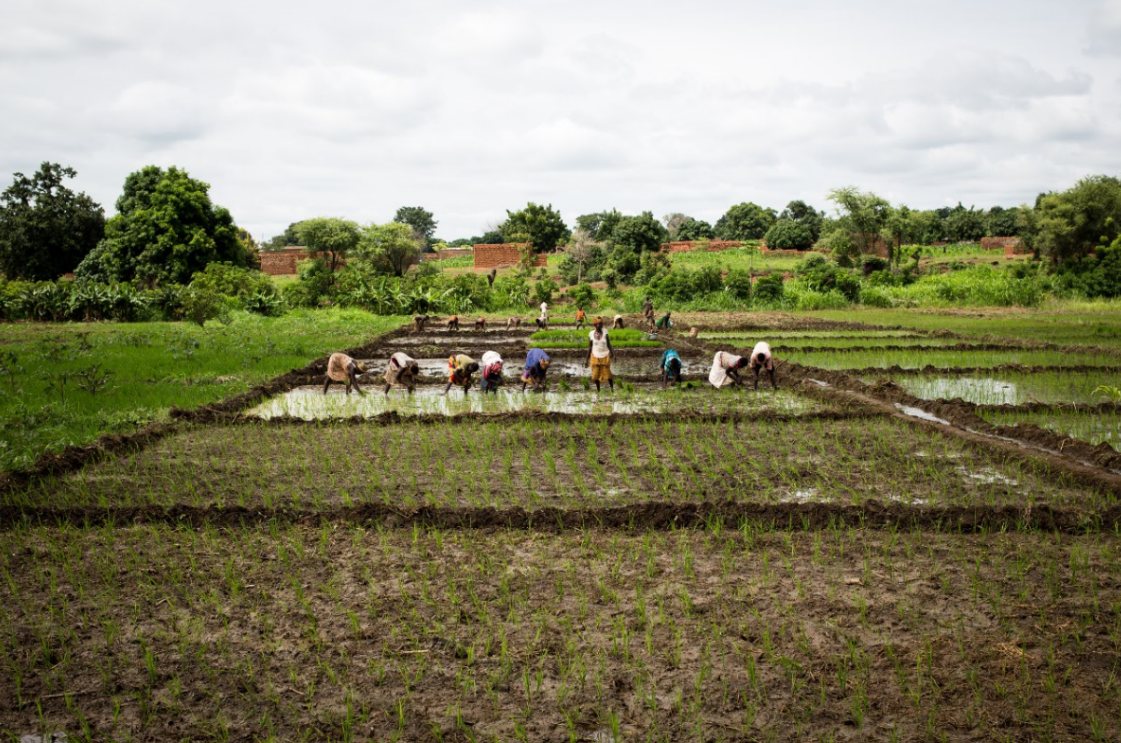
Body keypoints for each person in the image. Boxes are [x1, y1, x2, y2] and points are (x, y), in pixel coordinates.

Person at [586, 318, 615, 392]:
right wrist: (587, 359)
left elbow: (608, 344)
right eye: (598, 323)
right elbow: (590, 347)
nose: (600, 325)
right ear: (595, 325)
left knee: (608, 374)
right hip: (595, 355)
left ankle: (612, 389)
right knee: (595, 375)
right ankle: (598, 390)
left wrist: (613, 354)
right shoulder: (591, 333)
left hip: (605, 355)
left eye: (601, 323)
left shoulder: (605, 332)